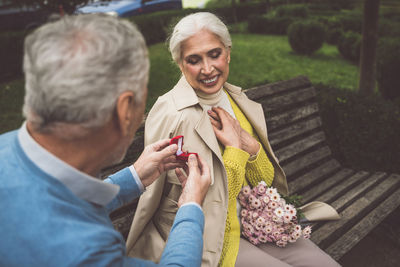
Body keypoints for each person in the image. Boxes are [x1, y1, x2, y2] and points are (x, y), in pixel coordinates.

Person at [126, 12, 341, 267]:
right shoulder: (175, 115)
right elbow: (204, 200)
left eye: (214, 54)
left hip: (254, 221)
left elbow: (265, 181)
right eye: (194, 60)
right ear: (180, 64)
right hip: (208, 238)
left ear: (228, 52)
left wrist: (253, 149)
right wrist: (236, 151)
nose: (208, 69)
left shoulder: (235, 98)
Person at [0, 14, 211, 266]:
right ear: (124, 111)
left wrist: (134, 177)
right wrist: (190, 207)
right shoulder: (86, 251)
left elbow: (60, 199)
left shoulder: (8, 146)